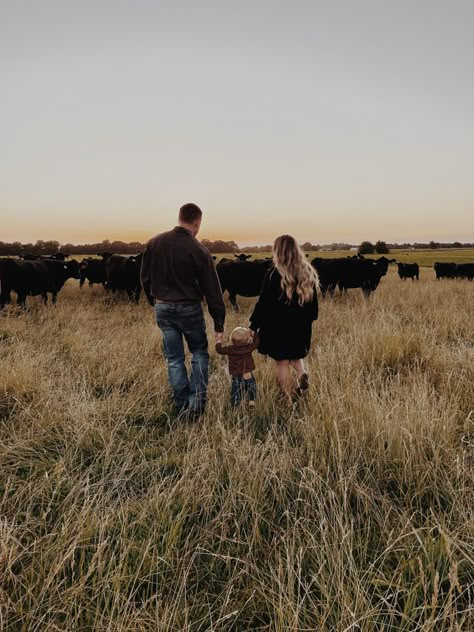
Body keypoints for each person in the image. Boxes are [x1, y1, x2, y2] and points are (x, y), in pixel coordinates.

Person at [140, 203, 225, 418]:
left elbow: (145, 277)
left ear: (179, 218)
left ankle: (181, 403)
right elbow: (212, 290)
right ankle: (195, 404)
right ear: (197, 222)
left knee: (174, 358)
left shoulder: (154, 243)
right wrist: (219, 323)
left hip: (163, 307)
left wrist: (155, 301)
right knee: (199, 353)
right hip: (189, 308)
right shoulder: (199, 249)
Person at [249, 235, 319, 400]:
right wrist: (306, 321)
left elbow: (264, 303)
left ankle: (287, 401)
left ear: (277, 251)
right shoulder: (308, 273)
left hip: (277, 328)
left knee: (281, 363)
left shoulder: (274, 274)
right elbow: (314, 309)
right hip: (301, 328)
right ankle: (301, 373)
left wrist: (253, 325)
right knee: (296, 356)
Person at [216, 327, 259, 408]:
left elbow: (219, 350)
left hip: (236, 373)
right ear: (247, 339)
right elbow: (257, 343)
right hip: (247, 371)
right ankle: (252, 401)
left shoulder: (230, 349)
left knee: (236, 388)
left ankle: (235, 403)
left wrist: (218, 341)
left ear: (232, 340)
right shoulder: (249, 346)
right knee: (251, 384)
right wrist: (254, 334)